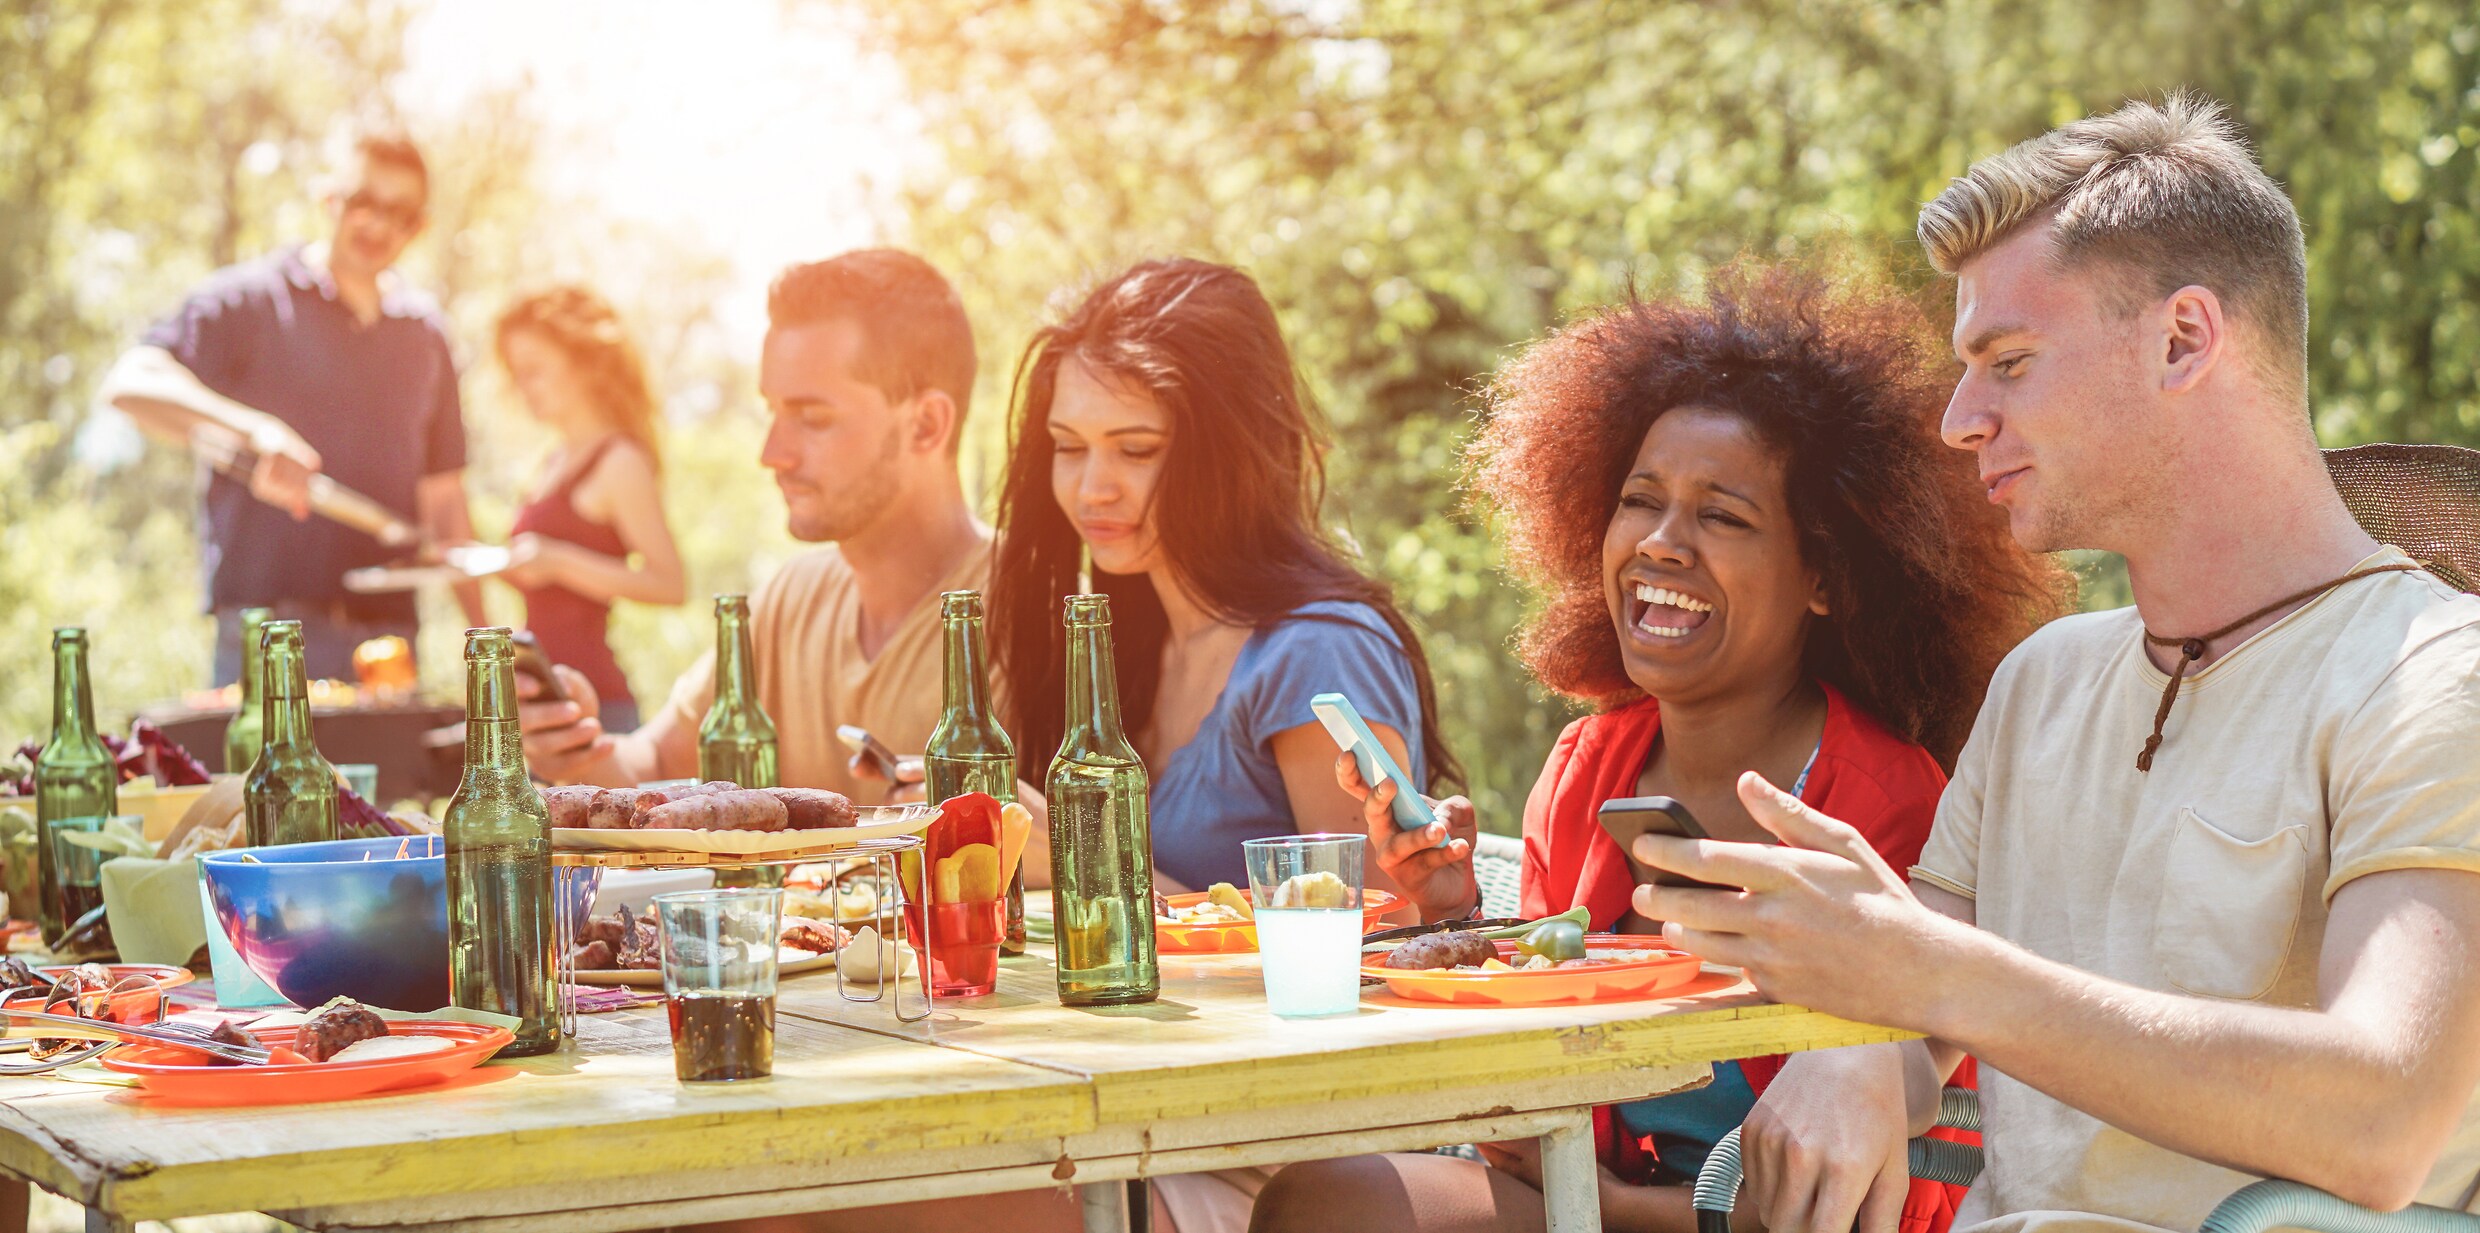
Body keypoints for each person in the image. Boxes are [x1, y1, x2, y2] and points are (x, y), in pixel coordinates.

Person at [1627, 96, 2480, 1233]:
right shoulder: (2043, 683)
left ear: (2183, 340)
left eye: (2008, 363)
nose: (1956, 420)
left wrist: (1931, 976)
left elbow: (2381, 1119)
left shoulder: (2430, 676)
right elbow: (1911, 1013)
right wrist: (1862, 1054)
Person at [1247, 266, 2067, 1233]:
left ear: (1825, 579)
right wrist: (1456, 914)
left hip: (1767, 1224)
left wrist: (1613, 1207)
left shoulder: (1887, 803)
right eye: (1641, 500)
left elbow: (1842, 1183)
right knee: (1322, 1199)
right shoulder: (1589, 764)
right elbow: (1535, 1092)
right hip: (1592, 1203)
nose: (1663, 543)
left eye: (1723, 515)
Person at [990, 256, 1461, 898]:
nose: (1091, 489)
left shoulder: (1317, 654)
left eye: (1136, 450)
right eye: (1068, 447)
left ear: (1229, 455)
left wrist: (1090, 863)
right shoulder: (1128, 639)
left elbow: (1369, 945)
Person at [518, 250, 989, 801]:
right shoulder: (787, 602)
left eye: (813, 419)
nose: (773, 453)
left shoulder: (1031, 613)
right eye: (773, 413)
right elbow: (650, 765)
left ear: (926, 425)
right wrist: (574, 748)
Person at [99, 128, 484, 682]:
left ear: (418, 228)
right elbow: (132, 381)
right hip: (267, 642)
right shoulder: (248, 302)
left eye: (399, 213)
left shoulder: (425, 337)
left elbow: (445, 501)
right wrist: (256, 429)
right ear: (330, 199)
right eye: (363, 202)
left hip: (389, 646)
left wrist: (486, 642)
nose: (377, 224)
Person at [493, 286, 686, 732]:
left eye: (534, 371)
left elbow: (669, 583)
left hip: (596, 708)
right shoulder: (553, 461)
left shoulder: (620, 461)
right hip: (536, 704)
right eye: (516, 374)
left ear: (583, 362)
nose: (524, 388)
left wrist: (557, 562)